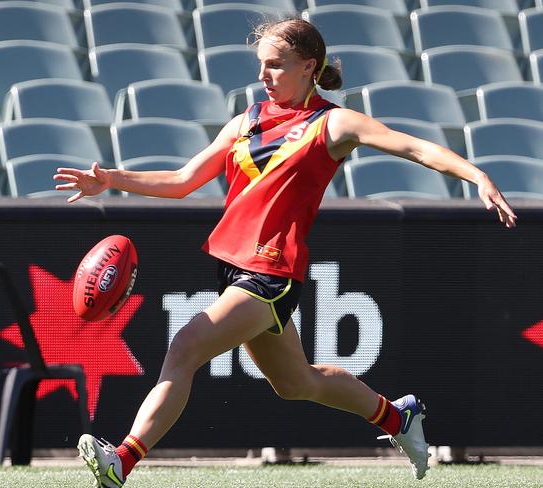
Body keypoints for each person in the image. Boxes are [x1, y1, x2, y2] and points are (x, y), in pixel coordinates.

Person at [54, 18, 517, 487]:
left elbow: (415, 147)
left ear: (308, 67)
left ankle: (123, 461)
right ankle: (398, 418)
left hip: (272, 272)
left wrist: (476, 175)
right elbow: (182, 180)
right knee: (298, 383)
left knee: (185, 347)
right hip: (235, 267)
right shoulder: (247, 120)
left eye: (275, 65)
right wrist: (111, 179)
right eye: (261, 66)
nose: (264, 75)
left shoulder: (333, 123)